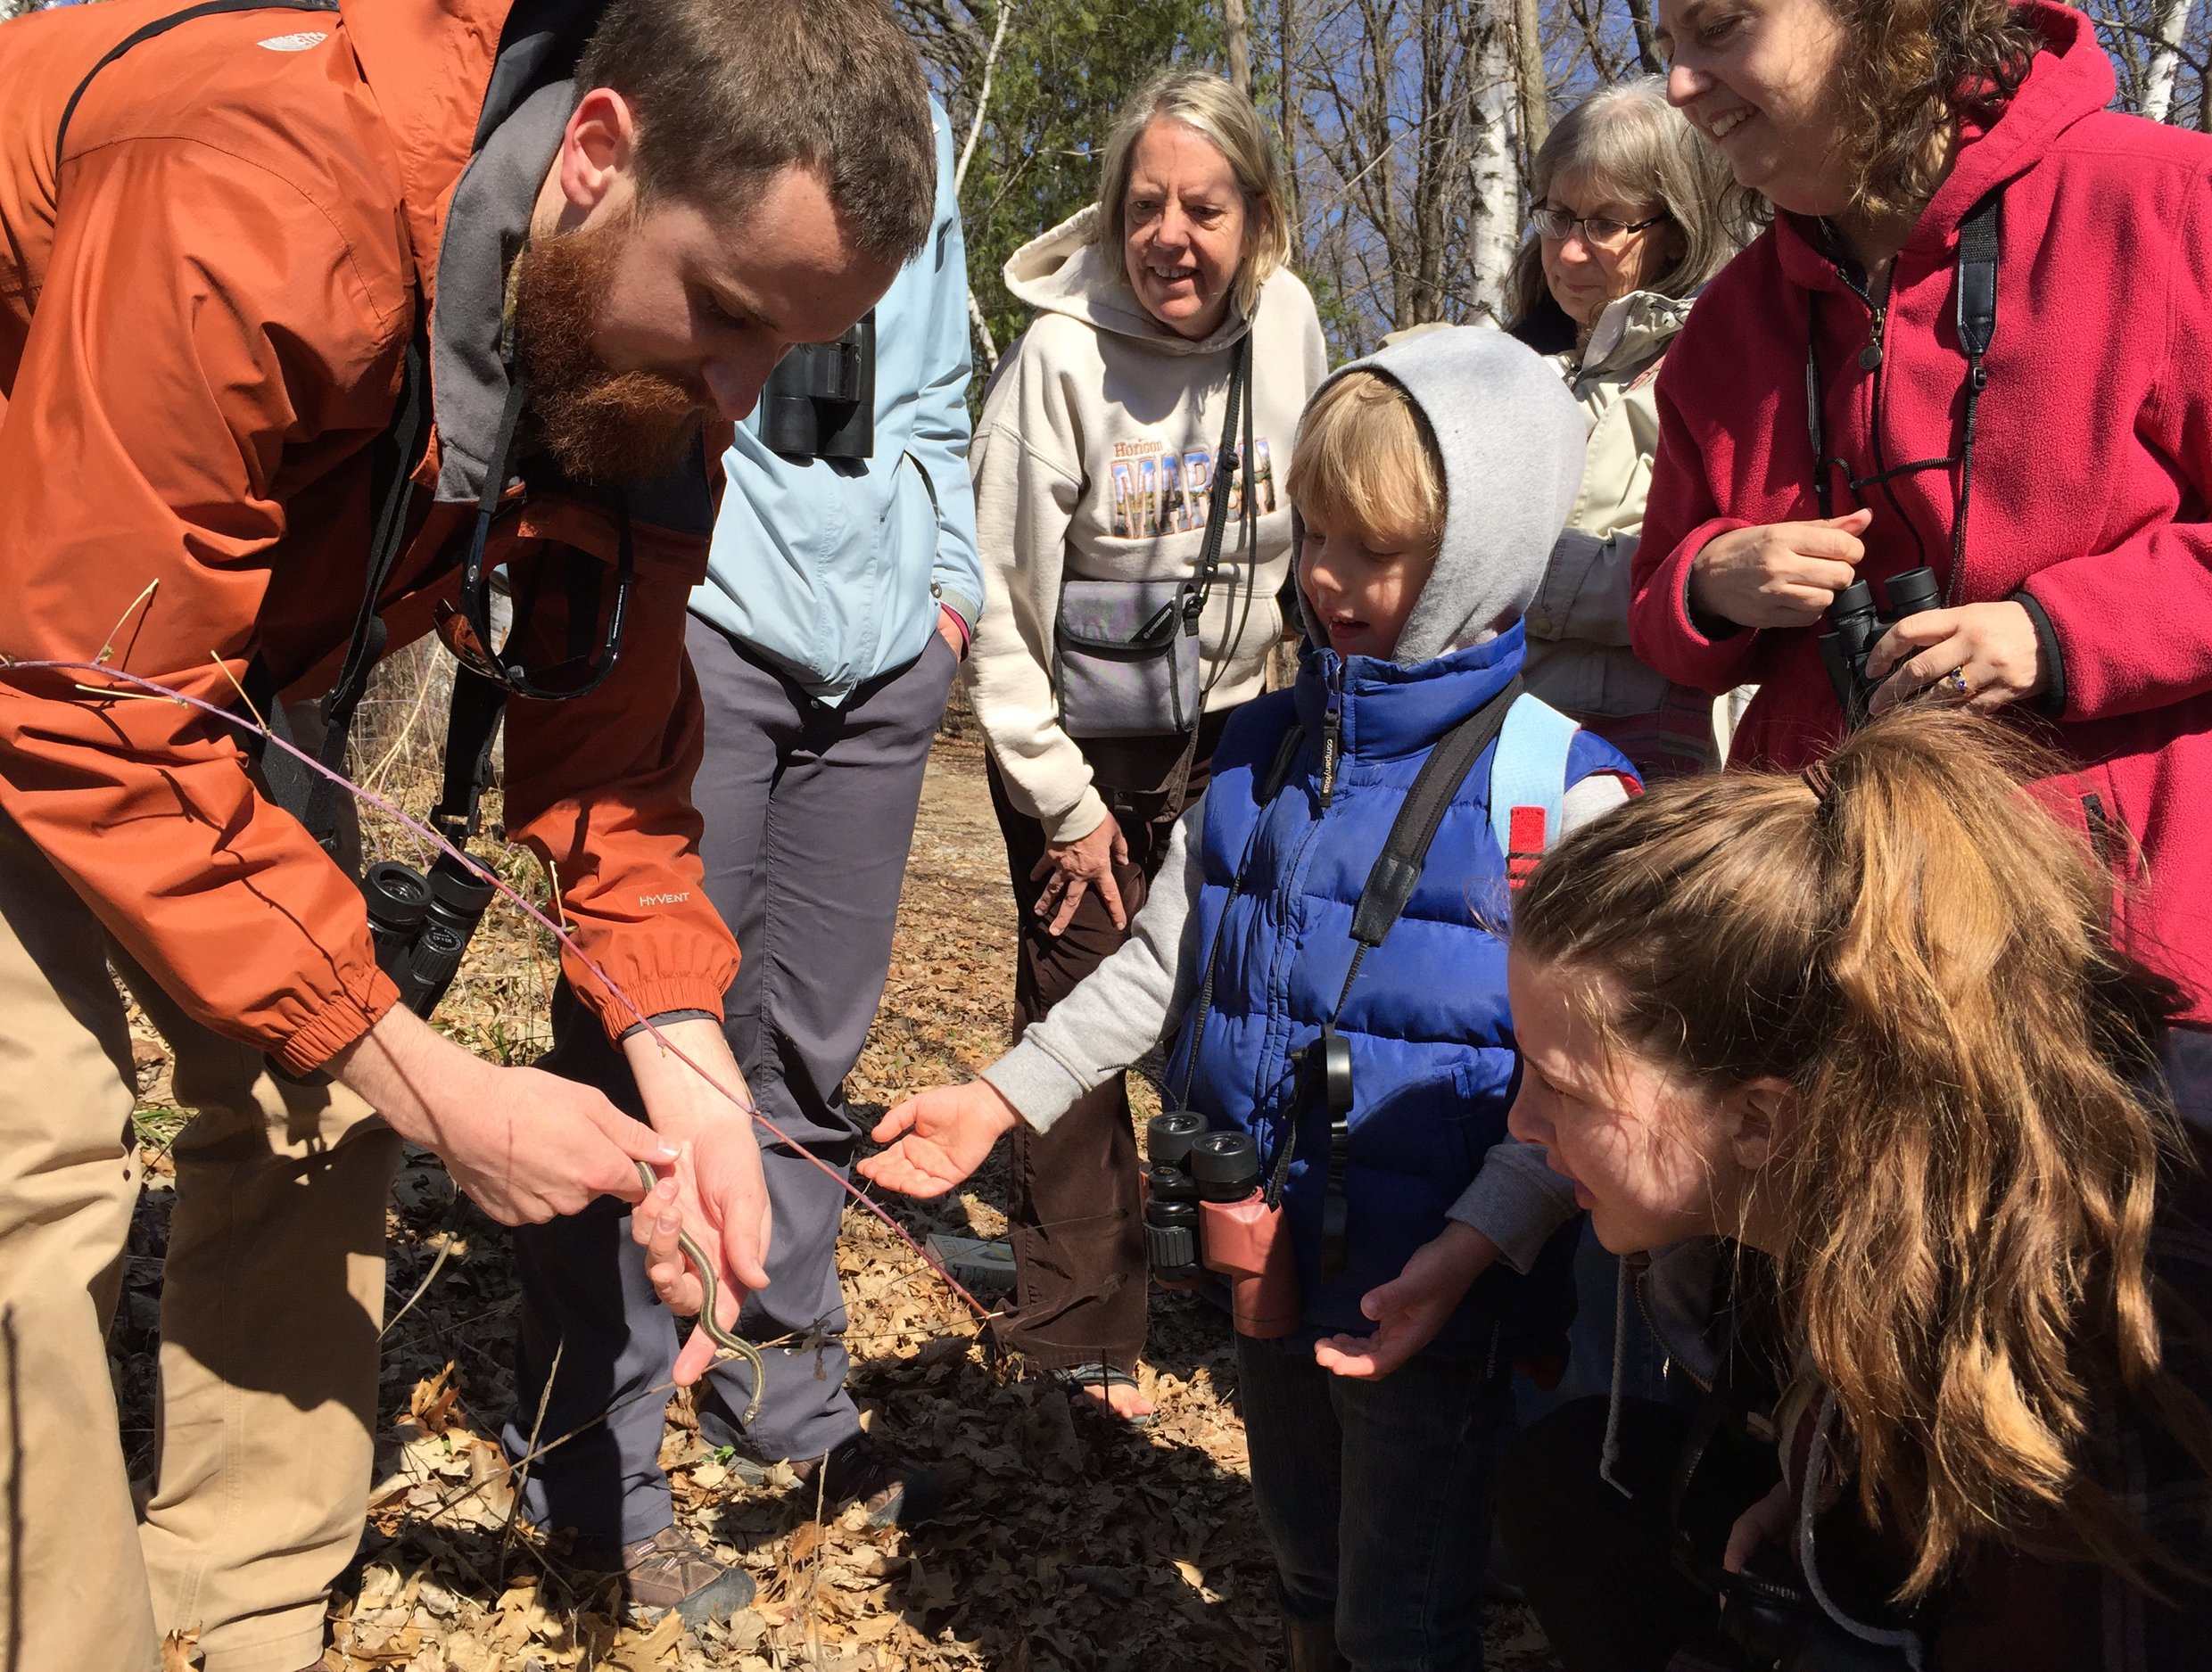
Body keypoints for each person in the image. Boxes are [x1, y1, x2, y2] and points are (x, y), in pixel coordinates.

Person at [0, 0, 936, 1666]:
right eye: (725, 318)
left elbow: (617, 768)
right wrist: (439, 1088)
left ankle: (243, 1616)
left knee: (308, 1088)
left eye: (789, 353)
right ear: (596, 157)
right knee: (37, 1139)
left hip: (215, 641)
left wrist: (694, 1081)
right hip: (60, 599)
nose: (738, 396)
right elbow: (97, 694)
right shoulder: (251, 189)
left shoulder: (641, 363)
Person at [865, 329, 1639, 1671]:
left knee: (1404, 1606)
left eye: (1377, 549)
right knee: (1304, 1553)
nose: (1329, 576)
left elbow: (1592, 1093)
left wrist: (1472, 1247)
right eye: (1316, 534)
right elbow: (1165, 965)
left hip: (1444, 1285)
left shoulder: (1558, 787)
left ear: (1478, 555)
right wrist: (1003, 1095)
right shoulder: (1264, 747)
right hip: (1268, 1260)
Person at [502, 96, 978, 1621]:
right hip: (704, 622)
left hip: (883, 657)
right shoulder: (707, 79)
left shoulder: (916, 120)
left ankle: (786, 1398)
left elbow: (937, 394)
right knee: (641, 1041)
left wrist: (944, 601)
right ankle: (594, 1466)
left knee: (809, 1059)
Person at [1487, 705, 2212, 1671]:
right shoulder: (1858, 1181)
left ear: (1759, 1119)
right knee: (1581, 1488)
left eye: (1563, 1086)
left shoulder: (2093, 1348)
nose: (1519, 1123)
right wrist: (1823, 1487)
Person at [1630, 0, 2212, 1028]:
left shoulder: (2175, 203)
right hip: (1838, 956)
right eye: (1666, 49)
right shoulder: (1726, 326)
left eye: (1720, 27)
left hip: (2127, 968)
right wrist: (1709, 581)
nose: (1679, 84)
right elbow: (1660, 613)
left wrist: (2056, 633)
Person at [964, 69, 1326, 1421]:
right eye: (1147, 205)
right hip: (1084, 745)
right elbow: (996, 603)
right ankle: (1073, 1330)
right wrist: (1060, 800)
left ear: (1259, 221)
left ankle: (1250, 1282)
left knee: (1242, 1001)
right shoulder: (1056, 360)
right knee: (1077, 1011)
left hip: (1241, 717)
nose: (1173, 234)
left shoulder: (1288, 324)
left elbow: (1330, 510)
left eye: (1207, 208)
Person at [1506, 77, 1743, 782]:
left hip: (1649, 753)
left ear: (1675, 233)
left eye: (1605, 225)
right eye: (1557, 216)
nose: (1570, 253)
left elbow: (1708, 575)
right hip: (1505, 739)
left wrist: (1528, 577)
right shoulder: (1507, 362)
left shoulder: (1716, 366)